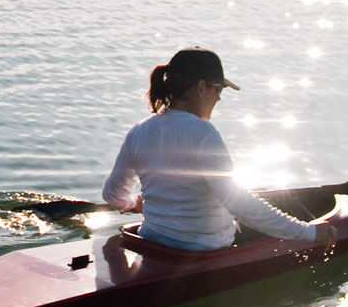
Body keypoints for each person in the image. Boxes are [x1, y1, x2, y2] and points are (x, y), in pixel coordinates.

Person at [102, 47, 336, 254]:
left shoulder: (139, 130)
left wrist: (134, 202)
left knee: (260, 193)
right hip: (205, 249)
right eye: (219, 89)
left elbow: (113, 195)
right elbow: (239, 204)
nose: (219, 98)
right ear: (201, 87)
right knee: (264, 204)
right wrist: (309, 233)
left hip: (152, 241)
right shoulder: (202, 133)